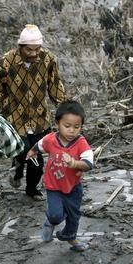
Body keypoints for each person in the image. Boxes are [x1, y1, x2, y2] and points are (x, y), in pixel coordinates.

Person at [0, 24, 66, 201]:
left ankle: (31, 189)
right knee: (23, 151)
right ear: (20, 47)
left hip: (39, 119)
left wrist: (65, 107)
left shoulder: (48, 59)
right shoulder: (7, 62)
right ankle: (17, 167)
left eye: (37, 49)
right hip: (16, 117)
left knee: (36, 160)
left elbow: (55, 86)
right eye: (29, 50)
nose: (33, 53)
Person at [26, 100, 93, 252]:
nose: (72, 131)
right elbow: (40, 144)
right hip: (54, 186)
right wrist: (32, 151)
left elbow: (89, 163)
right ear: (57, 123)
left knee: (74, 215)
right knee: (56, 215)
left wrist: (75, 164)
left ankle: (69, 236)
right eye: (67, 126)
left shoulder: (81, 143)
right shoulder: (51, 139)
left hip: (73, 187)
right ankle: (50, 222)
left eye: (77, 127)